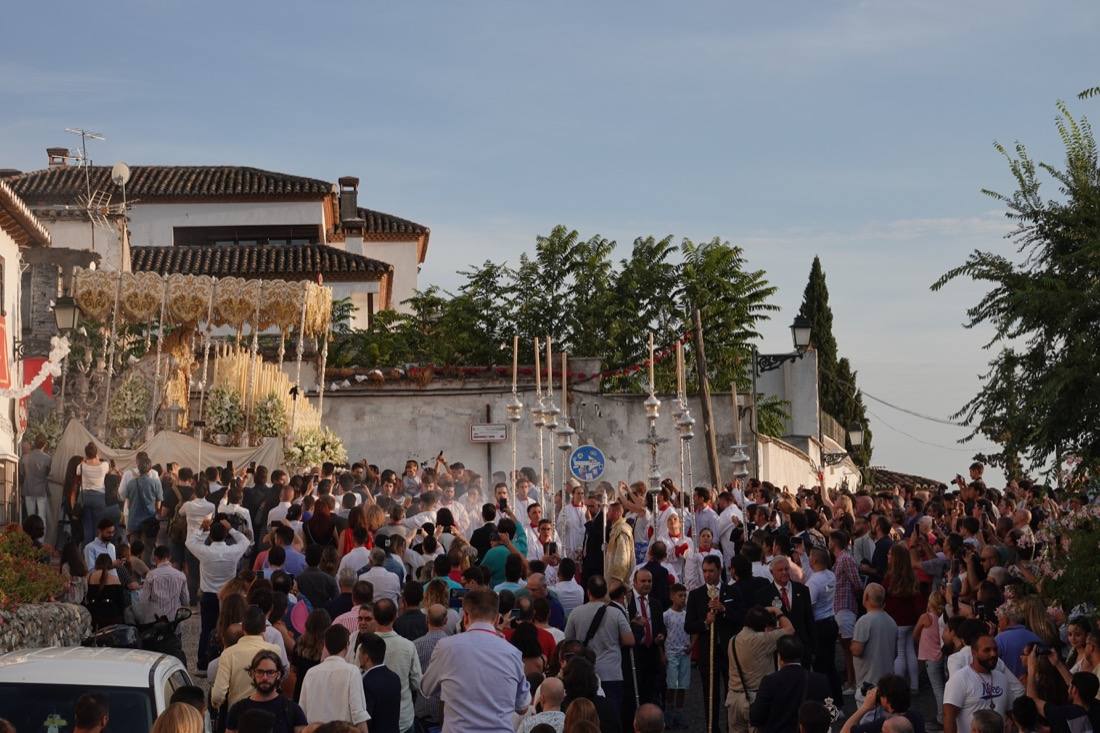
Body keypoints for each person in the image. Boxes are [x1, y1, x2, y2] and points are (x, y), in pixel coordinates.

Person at [422, 588, 532, 733]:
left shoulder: (446, 647)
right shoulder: (512, 653)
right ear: (496, 618)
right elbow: (523, 706)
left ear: (465, 617)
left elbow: (426, 688)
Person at [186, 516, 252, 675]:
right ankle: (227, 661)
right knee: (229, 627)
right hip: (229, 595)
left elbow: (189, 542)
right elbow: (245, 541)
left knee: (207, 628)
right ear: (225, 535)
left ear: (210, 536)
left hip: (208, 594)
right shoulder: (232, 551)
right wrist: (231, 528)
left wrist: (202, 528)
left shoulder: (205, 551)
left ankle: (203, 665)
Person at [563, 575, 635, 714]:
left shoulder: (576, 613)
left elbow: (568, 641)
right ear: (605, 591)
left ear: (588, 592)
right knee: (611, 713)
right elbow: (630, 640)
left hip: (585, 672)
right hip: (612, 672)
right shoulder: (615, 613)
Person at [727, 605, 795, 733]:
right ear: (762, 626)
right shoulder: (762, 640)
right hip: (756, 699)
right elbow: (790, 629)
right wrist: (778, 612)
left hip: (734, 698)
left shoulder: (733, 640)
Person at [686, 554, 731, 733]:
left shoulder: (731, 591)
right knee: (710, 693)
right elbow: (688, 625)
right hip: (707, 652)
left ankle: (731, 726)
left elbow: (742, 616)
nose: (707, 575)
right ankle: (712, 727)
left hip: (728, 651)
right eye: (704, 571)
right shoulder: (696, 595)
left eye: (711, 571)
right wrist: (705, 622)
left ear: (719, 570)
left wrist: (724, 609)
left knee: (731, 691)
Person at [943, 633, 1023, 733]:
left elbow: (1011, 711)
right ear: (974, 653)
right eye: (987, 650)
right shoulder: (959, 679)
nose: (993, 654)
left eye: (995, 649)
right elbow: (949, 717)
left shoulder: (1002, 678)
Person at [749, 636, 831, 733]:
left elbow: (756, 717)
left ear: (779, 656)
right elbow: (829, 713)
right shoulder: (820, 680)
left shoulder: (770, 681)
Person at [298, 625, 370, 731]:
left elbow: (302, 712)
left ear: (325, 645)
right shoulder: (352, 671)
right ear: (347, 645)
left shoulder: (311, 673)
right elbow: (358, 713)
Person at [212, 606, 282, 714]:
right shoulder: (275, 650)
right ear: (264, 628)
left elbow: (217, 695)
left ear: (243, 628)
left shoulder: (228, 654)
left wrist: (216, 705)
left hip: (238, 714)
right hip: (269, 712)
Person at [225, 650, 309, 733]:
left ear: (278, 675)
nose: (265, 677)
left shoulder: (292, 710)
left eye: (270, 672)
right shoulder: (238, 709)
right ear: (252, 674)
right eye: (260, 672)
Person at [372, 598, 422, 733]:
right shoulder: (408, 646)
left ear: (374, 617)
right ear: (395, 616)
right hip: (403, 717)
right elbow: (417, 682)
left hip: (374, 718)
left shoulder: (364, 647)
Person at [755, 555, 815, 665]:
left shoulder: (802, 590)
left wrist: (811, 647)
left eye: (786, 569)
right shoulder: (763, 595)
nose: (784, 572)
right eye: (780, 570)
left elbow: (809, 619)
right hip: (777, 650)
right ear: (772, 572)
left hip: (801, 648)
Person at [1026, 650, 1100, 733]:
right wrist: (1058, 663)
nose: (1068, 686)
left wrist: (1031, 670)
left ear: (1074, 690)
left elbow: (1032, 700)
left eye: (1070, 686)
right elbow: (1074, 683)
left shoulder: (1066, 714)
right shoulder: (1096, 706)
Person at [852, 583, 899, 706]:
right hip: (886, 684)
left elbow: (857, 650)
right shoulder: (891, 621)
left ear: (866, 597)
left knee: (867, 722)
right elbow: (895, 653)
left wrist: (850, 644)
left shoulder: (864, 621)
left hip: (868, 686)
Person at [627, 568, 665, 706]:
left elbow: (660, 626)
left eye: (649, 581)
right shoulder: (627, 602)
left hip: (653, 651)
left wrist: (661, 636)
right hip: (635, 652)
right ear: (635, 582)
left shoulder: (656, 603)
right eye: (643, 581)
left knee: (653, 690)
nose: (647, 584)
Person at [838, 675, 926, 733]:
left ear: (886, 700)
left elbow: (845, 731)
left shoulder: (884, 725)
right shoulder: (917, 717)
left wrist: (864, 708)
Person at [357, 632, 403, 733]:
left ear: (366, 657)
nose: (358, 656)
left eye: (360, 652)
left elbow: (367, 720)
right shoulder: (394, 678)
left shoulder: (366, 682)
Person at [139, 545, 189, 623]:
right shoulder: (181, 575)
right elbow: (186, 601)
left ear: (155, 558)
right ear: (169, 557)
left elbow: (144, 601)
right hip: (174, 622)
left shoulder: (151, 575)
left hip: (155, 621)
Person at [77, 442, 110, 544]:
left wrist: (85, 460)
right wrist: (97, 459)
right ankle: (97, 550)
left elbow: (77, 472)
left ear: (86, 454)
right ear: (96, 454)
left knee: (87, 526)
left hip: (85, 497)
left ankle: (87, 552)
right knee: (98, 527)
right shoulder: (103, 466)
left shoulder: (82, 466)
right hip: (99, 498)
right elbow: (108, 470)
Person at [20, 436, 51, 529]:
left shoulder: (26, 457)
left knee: (30, 516)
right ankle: (41, 540)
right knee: (42, 516)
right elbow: (47, 473)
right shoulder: (48, 458)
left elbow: (22, 473)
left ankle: (30, 540)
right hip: (41, 489)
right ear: (45, 444)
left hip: (28, 488)